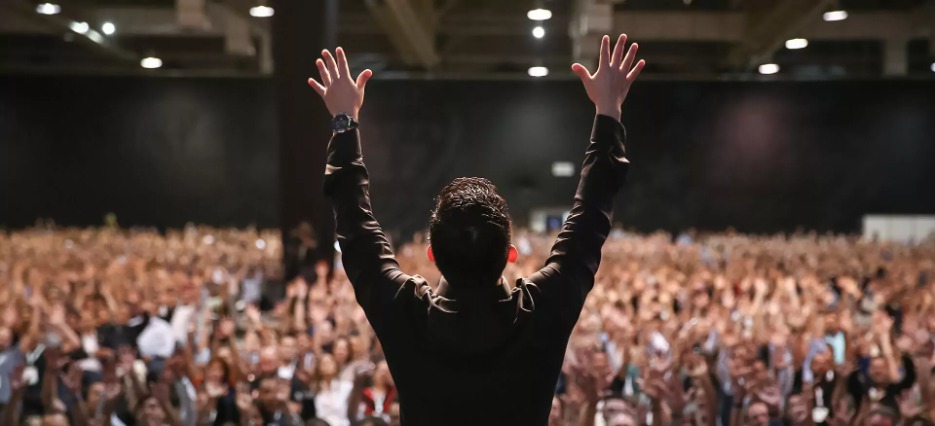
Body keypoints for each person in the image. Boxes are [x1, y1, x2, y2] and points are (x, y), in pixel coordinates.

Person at [307, 33, 645, 425]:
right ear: (509, 254)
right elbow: (591, 216)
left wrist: (344, 121)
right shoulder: (541, 313)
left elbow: (355, 226)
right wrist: (608, 111)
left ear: (432, 254)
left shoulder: (405, 314)